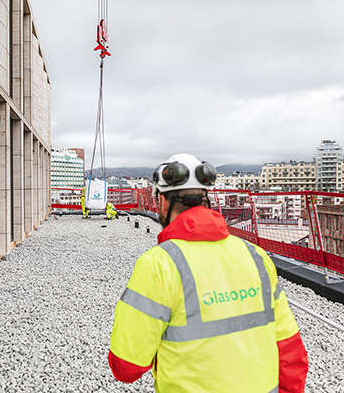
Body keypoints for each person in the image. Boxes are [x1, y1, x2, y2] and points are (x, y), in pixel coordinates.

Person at [108, 153, 308, 393]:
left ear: (162, 202)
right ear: (207, 199)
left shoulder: (158, 265)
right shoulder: (256, 256)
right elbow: (290, 351)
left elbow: (126, 367)